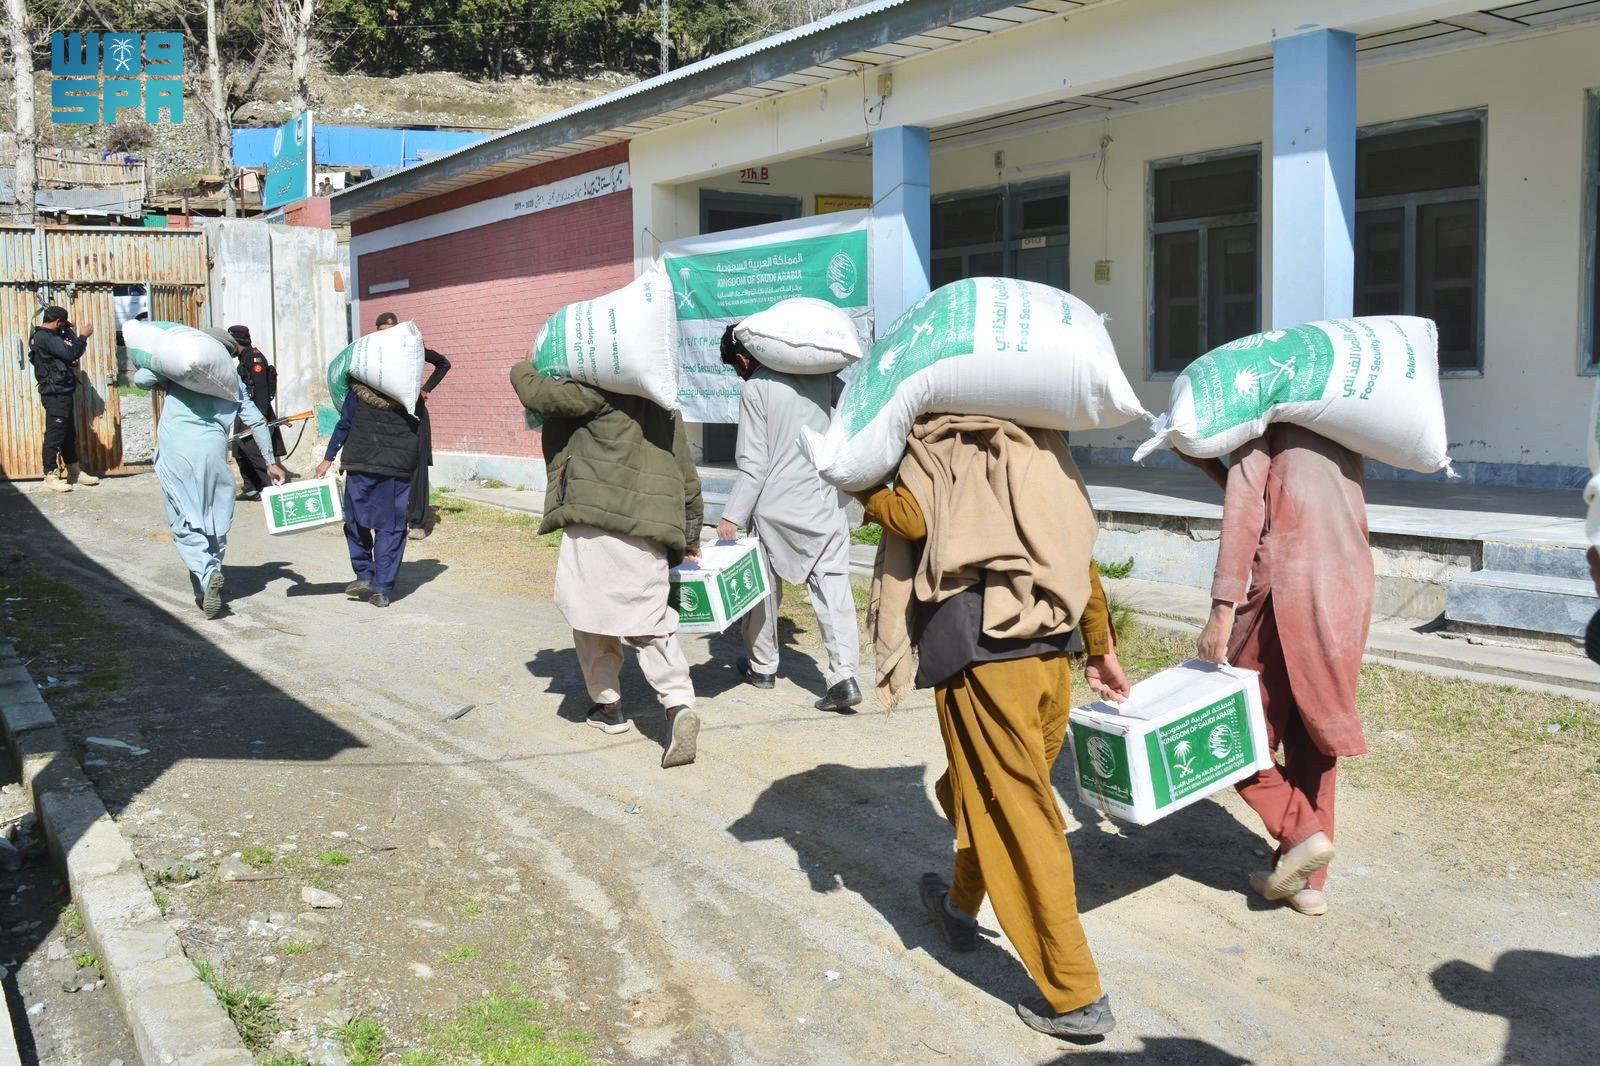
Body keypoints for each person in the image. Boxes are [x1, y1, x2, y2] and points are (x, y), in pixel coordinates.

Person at [857, 414, 1131, 1041]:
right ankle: (958, 907)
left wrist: (861, 486)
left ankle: (1075, 993)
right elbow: (1072, 548)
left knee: (1016, 810)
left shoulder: (942, 439)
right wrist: (1099, 644)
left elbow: (913, 520)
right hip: (1050, 652)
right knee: (985, 791)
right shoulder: (1042, 443)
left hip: (985, 656)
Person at [1186, 424, 1374, 919]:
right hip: (1347, 589)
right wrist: (1207, 466)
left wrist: (1221, 610)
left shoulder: (1261, 411)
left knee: (1233, 734)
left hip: (1285, 591)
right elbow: (1285, 497)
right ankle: (1308, 883)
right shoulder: (1340, 417)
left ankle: (1300, 833)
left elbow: (1248, 507)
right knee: (1314, 733)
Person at [510, 361, 704, 769]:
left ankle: (608, 706)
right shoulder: (664, 404)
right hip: (651, 528)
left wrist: (522, 365)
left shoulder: (595, 390)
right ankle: (677, 704)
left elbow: (539, 395)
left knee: (591, 615)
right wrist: (690, 534)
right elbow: (686, 473)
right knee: (651, 622)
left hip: (597, 521)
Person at [716, 325, 861, 712]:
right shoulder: (824, 377)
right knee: (834, 589)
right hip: (823, 500)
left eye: (736, 366)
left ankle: (763, 667)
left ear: (745, 358)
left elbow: (753, 464)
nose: (738, 373)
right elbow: (851, 408)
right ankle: (844, 675)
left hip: (774, 508)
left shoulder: (757, 388)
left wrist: (731, 516)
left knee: (764, 588)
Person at [132, 329, 285, 618]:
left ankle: (206, 575)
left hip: (177, 446)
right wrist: (270, 462)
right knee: (213, 514)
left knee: (183, 516)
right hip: (213, 447)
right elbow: (257, 422)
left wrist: (157, 363)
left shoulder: (181, 368)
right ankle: (208, 580)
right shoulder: (230, 378)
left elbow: (141, 381)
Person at [315, 377, 421, 609]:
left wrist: (328, 458)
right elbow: (420, 429)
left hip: (361, 464)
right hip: (395, 467)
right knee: (390, 528)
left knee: (356, 522)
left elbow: (344, 424)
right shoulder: (410, 394)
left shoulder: (357, 393)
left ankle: (364, 574)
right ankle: (381, 589)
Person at [373, 312, 450, 540]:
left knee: (417, 468)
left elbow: (443, 364)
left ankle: (418, 522)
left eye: (392, 330)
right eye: (382, 331)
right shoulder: (374, 352)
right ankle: (393, 516)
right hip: (388, 415)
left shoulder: (411, 347)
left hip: (414, 414)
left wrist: (426, 388)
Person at [29, 306, 98, 493]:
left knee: (68, 434)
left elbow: (68, 349)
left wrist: (69, 332)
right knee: (55, 434)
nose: (63, 329)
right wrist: (83, 336)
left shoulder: (51, 336)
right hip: (55, 394)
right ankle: (49, 475)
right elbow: (71, 353)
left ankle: (74, 471)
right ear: (58, 322)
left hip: (62, 392)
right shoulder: (46, 337)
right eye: (62, 325)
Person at [227, 325, 285, 501]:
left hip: (255, 411)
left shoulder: (255, 358)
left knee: (254, 450)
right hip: (245, 410)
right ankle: (251, 488)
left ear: (237, 342)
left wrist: (258, 419)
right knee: (239, 450)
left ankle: (271, 488)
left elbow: (260, 391)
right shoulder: (244, 358)